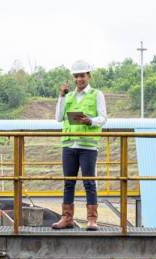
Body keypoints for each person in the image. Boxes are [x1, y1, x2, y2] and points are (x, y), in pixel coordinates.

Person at [52, 60, 107, 231]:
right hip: (69, 144)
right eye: (76, 76)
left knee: (89, 182)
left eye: (82, 75)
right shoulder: (68, 96)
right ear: (73, 78)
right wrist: (61, 96)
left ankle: (92, 219)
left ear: (89, 76)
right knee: (69, 182)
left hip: (88, 146)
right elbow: (59, 118)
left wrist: (90, 121)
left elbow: (103, 118)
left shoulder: (97, 94)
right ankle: (66, 218)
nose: (79, 79)